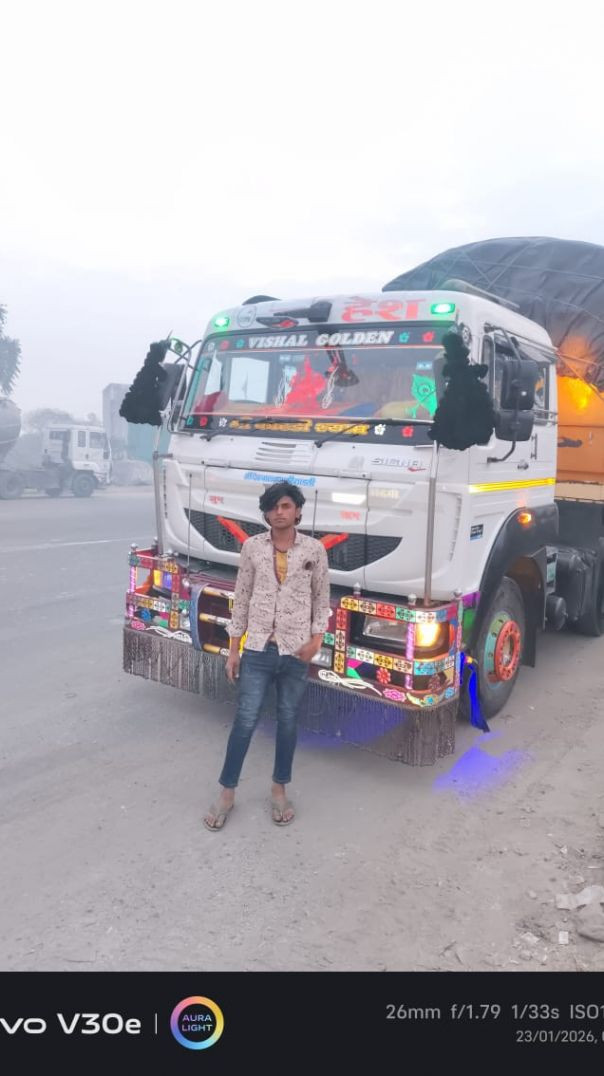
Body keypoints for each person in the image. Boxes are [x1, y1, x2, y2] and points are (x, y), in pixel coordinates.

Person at [203, 481, 331, 830]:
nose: (279, 512)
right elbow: (242, 596)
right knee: (245, 720)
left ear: (298, 511)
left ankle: (279, 790)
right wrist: (234, 650)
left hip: (296, 651)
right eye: (273, 507)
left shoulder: (314, 550)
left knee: (288, 721)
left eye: (286, 506)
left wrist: (316, 641)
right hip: (258, 648)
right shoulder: (252, 548)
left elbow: (321, 599)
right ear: (265, 513)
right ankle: (227, 793)